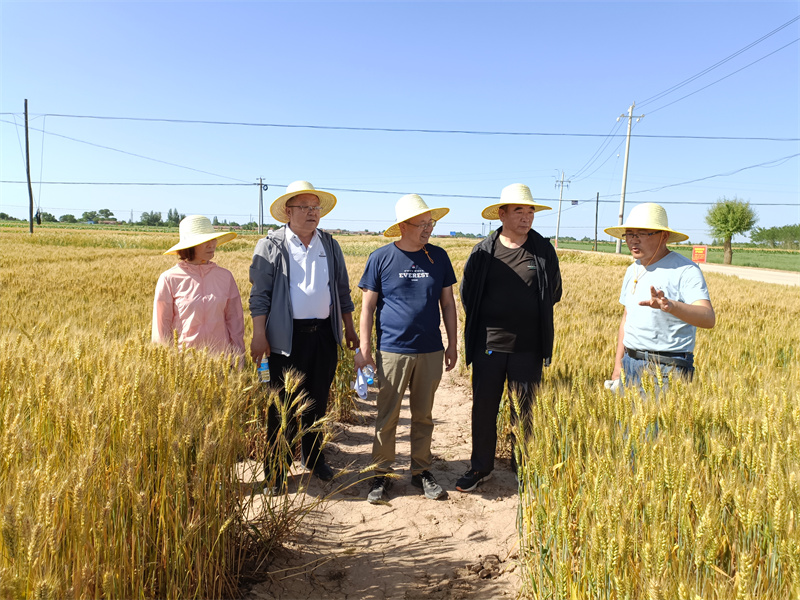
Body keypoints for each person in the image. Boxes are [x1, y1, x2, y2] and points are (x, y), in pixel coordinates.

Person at [249, 180, 359, 489]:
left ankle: (314, 458)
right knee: (280, 405)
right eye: (305, 207)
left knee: (317, 402)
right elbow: (260, 296)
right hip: (286, 338)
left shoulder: (329, 244)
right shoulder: (271, 245)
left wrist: (348, 327)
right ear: (287, 211)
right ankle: (277, 468)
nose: (312, 213)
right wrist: (260, 335)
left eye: (316, 208)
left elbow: (341, 290)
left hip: (324, 334)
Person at [457, 183, 562, 493]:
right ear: (501, 214)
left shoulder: (543, 250)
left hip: (528, 348)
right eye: (519, 211)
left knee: (525, 410)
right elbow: (468, 293)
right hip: (488, 345)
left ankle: (523, 467)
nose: (526, 217)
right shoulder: (483, 251)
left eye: (530, 211)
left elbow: (553, 291)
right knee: (484, 408)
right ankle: (481, 468)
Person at [355, 194, 458, 503]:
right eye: (422, 224)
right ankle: (381, 473)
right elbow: (367, 307)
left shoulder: (439, 257)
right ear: (402, 225)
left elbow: (449, 304)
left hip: (430, 349)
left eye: (431, 223)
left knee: (424, 415)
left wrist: (452, 343)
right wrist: (365, 347)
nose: (428, 229)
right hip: (392, 350)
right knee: (387, 415)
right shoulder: (381, 258)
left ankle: (421, 471)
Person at [604, 202, 715, 391]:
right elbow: (626, 318)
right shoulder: (633, 269)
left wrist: (671, 306)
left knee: (656, 422)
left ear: (664, 236)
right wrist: (618, 365)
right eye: (629, 234)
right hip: (630, 364)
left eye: (641, 234)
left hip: (666, 369)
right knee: (627, 422)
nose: (633, 240)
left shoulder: (685, 270)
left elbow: (708, 318)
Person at [152, 215, 245, 356]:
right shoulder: (169, 279)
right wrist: (166, 366)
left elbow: (235, 322)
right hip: (184, 364)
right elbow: (162, 328)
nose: (212, 245)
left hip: (222, 363)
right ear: (190, 246)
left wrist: (238, 359)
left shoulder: (225, 277)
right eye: (205, 241)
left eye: (212, 239)